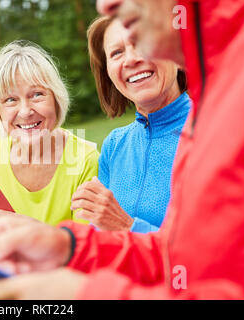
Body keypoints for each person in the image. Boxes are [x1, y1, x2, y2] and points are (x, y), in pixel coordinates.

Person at [0, 0, 244, 299]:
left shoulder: (233, 107)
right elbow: (174, 255)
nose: (104, 4)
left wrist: (113, 244)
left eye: (136, 41)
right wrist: (68, 245)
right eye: (116, 52)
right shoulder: (116, 146)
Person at [71, 16, 190, 233]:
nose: (131, 60)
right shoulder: (114, 145)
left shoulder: (212, 132)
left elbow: (217, 251)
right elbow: (100, 239)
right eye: (117, 53)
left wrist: (127, 227)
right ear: (108, 73)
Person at [0, 40, 99, 225]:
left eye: (37, 95)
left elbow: (86, 247)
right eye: (11, 99)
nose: (25, 111)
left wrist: (27, 229)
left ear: (56, 99)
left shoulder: (86, 160)